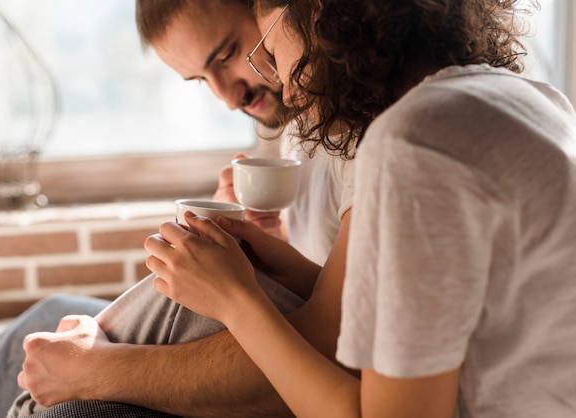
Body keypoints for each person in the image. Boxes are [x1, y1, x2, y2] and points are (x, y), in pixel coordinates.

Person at [146, 0, 576, 417]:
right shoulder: (533, 100)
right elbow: (455, 310)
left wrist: (235, 301)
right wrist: (289, 270)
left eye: (272, 53)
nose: (290, 94)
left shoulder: (412, 141)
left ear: (317, 11)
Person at [0, 1, 355, 417]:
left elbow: (330, 337)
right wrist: (266, 241)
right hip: (287, 327)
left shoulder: (353, 127)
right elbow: (332, 280)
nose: (228, 99)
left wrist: (93, 368)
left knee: (64, 400)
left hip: (296, 359)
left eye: (229, 54)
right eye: (200, 80)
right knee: (52, 315)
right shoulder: (293, 123)